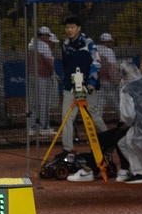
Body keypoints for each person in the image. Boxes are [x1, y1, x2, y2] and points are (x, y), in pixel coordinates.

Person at [57, 15, 106, 157]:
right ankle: (68, 149)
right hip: (70, 87)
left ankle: (109, 140)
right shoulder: (65, 44)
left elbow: (97, 63)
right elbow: (66, 65)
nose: (69, 30)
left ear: (79, 28)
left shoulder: (88, 43)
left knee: (93, 117)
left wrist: (91, 83)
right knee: (66, 118)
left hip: (86, 87)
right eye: (67, 27)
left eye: (72, 27)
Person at [27, 27, 60, 136]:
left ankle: (32, 127)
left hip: (31, 76)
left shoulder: (31, 44)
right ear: (43, 36)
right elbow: (49, 64)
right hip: (42, 77)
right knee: (43, 103)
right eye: (47, 36)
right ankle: (44, 127)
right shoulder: (44, 46)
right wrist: (53, 75)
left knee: (33, 102)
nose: (48, 38)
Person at [94, 33, 120, 118]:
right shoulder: (109, 51)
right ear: (108, 42)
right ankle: (123, 120)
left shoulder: (94, 49)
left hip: (96, 81)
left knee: (99, 104)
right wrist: (116, 82)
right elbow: (112, 68)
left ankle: (98, 123)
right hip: (108, 82)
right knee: (116, 102)